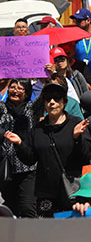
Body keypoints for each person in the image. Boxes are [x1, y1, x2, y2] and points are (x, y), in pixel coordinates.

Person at [4, 84, 91, 217]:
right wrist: (20, 143)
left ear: (64, 102)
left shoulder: (76, 124)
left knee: (71, 227)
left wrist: (76, 138)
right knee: (47, 228)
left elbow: (85, 155)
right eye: (48, 99)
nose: (52, 102)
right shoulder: (38, 129)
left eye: (56, 99)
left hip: (71, 189)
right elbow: (30, 159)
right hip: (46, 192)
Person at [0, 79, 36, 217]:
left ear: (27, 93)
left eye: (20, 88)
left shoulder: (32, 109)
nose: (15, 91)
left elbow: (46, 94)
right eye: (12, 87)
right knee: (9, 207)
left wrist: (49, 77)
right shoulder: (2, 108)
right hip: (6, 168)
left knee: (27, 207)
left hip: (27, 168)